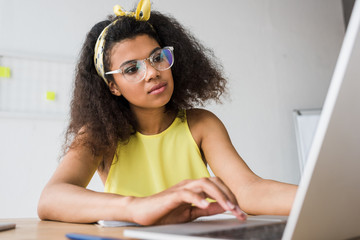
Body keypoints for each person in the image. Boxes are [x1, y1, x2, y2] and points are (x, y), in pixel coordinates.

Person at [37, 0, 297, 225]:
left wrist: (326, 197)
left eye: (157, 57)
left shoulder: (200, 125)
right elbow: (51, 198)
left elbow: (248, 191)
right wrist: (139, 208)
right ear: (112, 86)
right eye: (131, 69)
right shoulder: (100, 135)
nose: (153, 72)